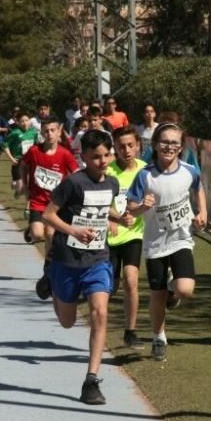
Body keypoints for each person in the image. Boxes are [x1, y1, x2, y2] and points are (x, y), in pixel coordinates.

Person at [43, 129, 132, 405]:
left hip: (97, 260)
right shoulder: (73, 183)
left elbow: (107, 210)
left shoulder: (113, 183)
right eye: (96, 157)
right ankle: (53, 285)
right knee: (67, 322)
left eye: (107, 155)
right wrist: (73, 230)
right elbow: (48, 215)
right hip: (67, 260)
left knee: (100, 313)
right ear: (84, 156)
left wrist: (123, 217)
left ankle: (91, 380)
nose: (103, 161)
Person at [127, 123, 207, 361]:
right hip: (155, 243)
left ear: (181, 147)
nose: (169, 147)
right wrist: (143, 206)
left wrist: (202, 211)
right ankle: (158, 336)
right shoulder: (145, 176)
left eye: (174, 143)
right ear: (155, 145)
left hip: (181, 238)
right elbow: (131, 208)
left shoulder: (189, 170)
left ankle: (174, 291)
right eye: (164, 142)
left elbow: (198, 188)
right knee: (157, 294)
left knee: (185, 289)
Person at [21, 117, 79, 299]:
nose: (49, 134)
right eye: (46, 131)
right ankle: (30, 230)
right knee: (38, 234)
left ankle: (48, 268)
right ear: (42, 133)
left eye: (53, 130)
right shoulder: (34, 151)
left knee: (51, 235)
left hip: (55, 204)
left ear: (59, 131)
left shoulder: (64, 154)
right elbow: (22, 165)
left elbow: (75, 173)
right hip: (38, 201)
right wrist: (24, 184)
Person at [106, 126, 146, 349]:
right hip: (109, 237)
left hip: (133, 234)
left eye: (130, 145)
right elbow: (99, 201)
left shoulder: (145, 170)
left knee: (131, 280)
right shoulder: (108, 171)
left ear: (138, 145)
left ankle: (131, 331)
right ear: (115, 148)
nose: (126, 150)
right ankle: (99, 326)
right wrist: (109, 220)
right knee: (110, 288)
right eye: (121, 146)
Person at [2, 112, 38, 196]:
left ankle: (27, 207)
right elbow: (4, 145)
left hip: (30, 162)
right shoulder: (15, 133)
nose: (25, 123)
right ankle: (16, 187)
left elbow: (37, 146)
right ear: (18, 122)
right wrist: (11, 158)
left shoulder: (34, 132)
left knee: (29, 185)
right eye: (22, 121)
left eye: (26, 120)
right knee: (20, 188)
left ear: (30, 121)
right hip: (18, 161)